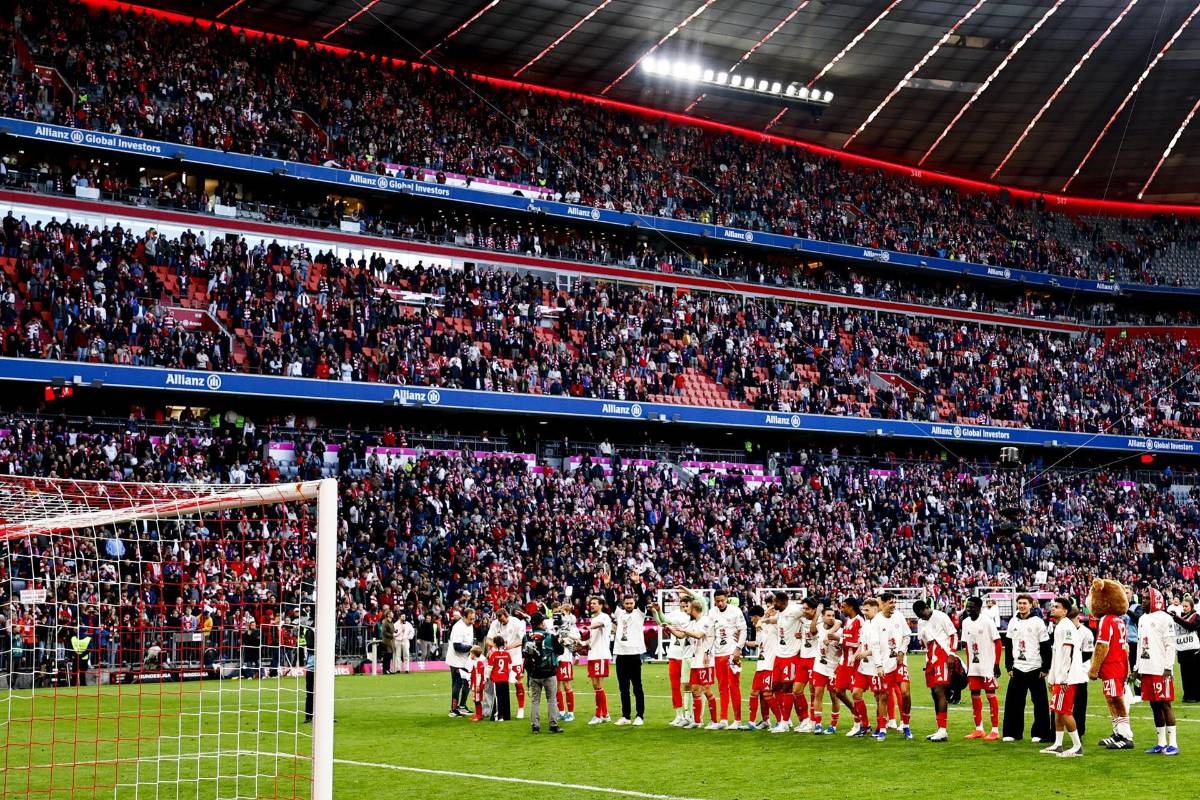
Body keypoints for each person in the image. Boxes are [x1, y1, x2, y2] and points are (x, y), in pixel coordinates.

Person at [1088, 579, 1133, 749]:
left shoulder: (1106, 620)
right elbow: (1125, 647)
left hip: (1112, 667)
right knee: (1111, 699)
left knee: (1116, 700)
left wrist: (1094, 668)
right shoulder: (1118, 620)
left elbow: (1102, 645)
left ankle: (1126, 736)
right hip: (1118, 666)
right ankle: (1117, 732)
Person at [1002, 593, 1051, 743]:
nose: (1022, 606)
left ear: (1031, 605)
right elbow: (1008, 646)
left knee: (1040, 703)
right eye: (1020, 603)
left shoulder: (1038, 622)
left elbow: (1045, 646)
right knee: (1013, 702)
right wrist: (1008, 666)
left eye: (1025, 603)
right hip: (1018, 668)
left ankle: (1040, 733)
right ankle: (1012, 733)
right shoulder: (1013, 621)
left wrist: (1045, 667)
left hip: (1035, 668)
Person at [1043, 597, 1086, 758]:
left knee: (1065, 711)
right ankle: (1058, 744)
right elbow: (1057, 656)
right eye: (1052, 606)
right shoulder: (1060, 626)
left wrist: (1064, 678)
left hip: (1067, 678)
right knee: (1058, 710)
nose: (1052, 608)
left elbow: (1068, 653)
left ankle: (1077, 746)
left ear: (1065, 611)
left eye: (1056, 607)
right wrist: (1052, 678)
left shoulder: (1066, 627)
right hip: (1061, 678)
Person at [1138, 588, 1180, 755]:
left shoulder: (1165, 618)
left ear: (1155, 599)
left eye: (1147, 598)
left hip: (1161, 670)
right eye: (1143, 598)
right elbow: (1140, 645)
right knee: (1154, 706)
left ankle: (1173, 744)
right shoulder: (1142, 618)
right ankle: (1161, 743)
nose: (1143, 601)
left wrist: (1168, 667)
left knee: (1165, 704)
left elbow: (1170, 644)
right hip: (1147, 669)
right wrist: (1137, 668)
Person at [668, 598, 718, 729]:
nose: (686, 610)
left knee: (706, 689)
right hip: (695, 660)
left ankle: (714, 721)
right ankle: (697, 721)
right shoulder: (693, 622)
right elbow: (681, 635)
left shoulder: (706, 621)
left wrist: (683, 630)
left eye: (689, 608)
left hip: (705, 661)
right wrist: (670, 629)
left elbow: (699, 635)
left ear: (694, 609)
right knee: (695, 689)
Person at [652, 589, 698, 726]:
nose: (684, 607)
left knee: (689, 687)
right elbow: (662, 622)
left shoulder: (693, 618)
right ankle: (679, 715)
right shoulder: (674, 614)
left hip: (687, 655)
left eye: (686, 604)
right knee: (675, 687)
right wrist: (655, 612)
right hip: (674, 654)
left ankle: (690, 714)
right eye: (682, 604)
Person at [913, 599, 956, 742]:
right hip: (930, 657)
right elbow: (923, 641)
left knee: (939, 690)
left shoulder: (941, 616)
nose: (922, 617)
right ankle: (940, 729)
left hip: (943, 654)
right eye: (919, 616)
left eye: (922, 614)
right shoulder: (921, 622)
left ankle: (943, 729)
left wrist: (952, 653)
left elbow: (953, 635)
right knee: (934, 692)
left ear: (927, 607)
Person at [960, 596, 1001, 741]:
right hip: (974, 667)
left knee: (990, 695)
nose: (968, 609)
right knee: (975, 696)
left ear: (978, 607)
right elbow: (967, 647)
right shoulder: (965, 622)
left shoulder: (987, 621)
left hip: (987, 666)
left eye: (971, 607)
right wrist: (968, 666)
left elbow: (998, 642)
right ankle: (979, 729)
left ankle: (995, 730)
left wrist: (996, 664)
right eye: (967, 606)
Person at [764, 591, 805, 733]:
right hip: (779, 655)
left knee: (787, 688)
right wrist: (766, 619)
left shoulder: (795, 610)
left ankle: (785, 722)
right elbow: (777, 620)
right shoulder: (781, 612)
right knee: (775, 686)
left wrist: (803, 632)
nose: (773, 604)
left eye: (775, 601)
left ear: (782, 602)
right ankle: (785, 719)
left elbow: (808, 616)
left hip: (791, 655)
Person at [709, 588, 748, 730]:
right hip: (718, 654)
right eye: (717, 601)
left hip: (732, 653)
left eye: (722, 600)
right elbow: (711, 633)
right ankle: (723, 719)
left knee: (734, 686)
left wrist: (738, 648)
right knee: (722, 687)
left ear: (727, 599)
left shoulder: (735, 611)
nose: (720, 603)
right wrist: (708, 651)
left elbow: (743, 630)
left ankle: (737, 720)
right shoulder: (712, 612)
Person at [851, 597, 889, 740]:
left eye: (867, 610)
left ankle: (881, 726)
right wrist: (856, 654)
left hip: (875, 665)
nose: (864, 612)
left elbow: (882, 646)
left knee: (879, 697)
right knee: (856, 693)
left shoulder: (881, 623)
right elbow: (862, 642)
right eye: (863, 610)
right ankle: (865, 725)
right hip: (863, 666)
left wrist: (866, 653)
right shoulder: (866, 623)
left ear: (875, 609)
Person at [877, 592, 913, 739]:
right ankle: (882, 729)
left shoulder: (899, 616)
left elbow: (906, 635)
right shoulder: (877, 621)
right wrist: (878, 665)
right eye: (890, 602)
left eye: (894, 602)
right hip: (885, 664)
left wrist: (902, 651)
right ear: (883, 603)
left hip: (900, 662)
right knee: (884, 696)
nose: (893, 605)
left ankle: (906, 725)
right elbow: (874, 645)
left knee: (905, 693)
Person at [522, 611, 564, 734]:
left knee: (535, 700)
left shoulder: (526, 637)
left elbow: (524, 653)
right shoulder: (550, 636)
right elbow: (560, 650)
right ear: (541, 623)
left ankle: (535, 726)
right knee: (551, 699)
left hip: (533, 673)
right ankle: (553, 725)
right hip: (549, 673)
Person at [486, 607, 528, 720]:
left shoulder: (516, 622)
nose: (501, 622)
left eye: (503, 620)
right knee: (499, 684)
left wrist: (509, 646)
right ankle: (498, 711)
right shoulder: (495, 623)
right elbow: (488, 639)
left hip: (514, 657)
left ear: (507, 615)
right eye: (499, 620)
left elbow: (522, 640)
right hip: (500, 657)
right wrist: (497, 647)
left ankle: (521, 708)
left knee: (518, 682)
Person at [612, 593, 647, 726]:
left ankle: (640, 716)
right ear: (623, 604)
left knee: (637, 687)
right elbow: (610, 601)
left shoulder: (639, 614)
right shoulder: (619, 613)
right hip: (620, 655)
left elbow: (642, 599)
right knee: (623, 688)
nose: (629, 605)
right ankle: (626, 716)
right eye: (626, 603)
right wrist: (608, 588)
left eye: (631, 603)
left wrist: (637, 584)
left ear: (634, 603)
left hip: (634, 655)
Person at [831, 597, 862, 736]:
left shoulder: (859, 621)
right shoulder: (847, 621)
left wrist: (839, 639)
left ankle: (859, 724)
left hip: (853, 663)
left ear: (851, 607)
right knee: (838, 691)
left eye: (844, 607)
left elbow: (857, 643)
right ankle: (856, 713)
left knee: (856, 693)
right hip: (843, 662)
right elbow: (846, 641)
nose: (841, 609)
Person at [791, 597, 822, 733]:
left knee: (813, 692)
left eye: (807, 609)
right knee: (796, 690)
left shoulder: (819, 620)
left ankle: (813, 722)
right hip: (803, 658)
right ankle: (805, 719)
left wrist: (817, 613)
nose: (804, 611)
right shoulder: (802, 619)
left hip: (814, 659)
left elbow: (813, 630)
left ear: (814, 610)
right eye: (803, 608)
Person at [810, 607, 843, 735]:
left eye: (833, 615)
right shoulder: (819, 627)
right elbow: (812, 630)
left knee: (834, 696)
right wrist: (817, 613)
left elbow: (843, 650)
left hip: (834, 668)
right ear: (823, 617)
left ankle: (833, 724)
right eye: (828, 615)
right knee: (818, 693)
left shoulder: (840, 631)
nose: (831, 618)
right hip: (819, 666)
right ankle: (818, 724)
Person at [745, 604, 777, 730]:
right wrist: (744, 643)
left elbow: (777, 618)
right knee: (754, 693)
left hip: (770, 665)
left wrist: (767, 612)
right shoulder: (759, 628)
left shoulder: (771, 626)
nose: (751, 620)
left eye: (752, 617)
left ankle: (781, 721)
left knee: (767, 694)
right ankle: (755, 722)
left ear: (757, 616)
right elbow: (758, 644)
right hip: (761, 665)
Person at [585, 596, 613, 725]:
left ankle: (599, 715)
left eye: (595, 603)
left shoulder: (604, 617)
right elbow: (592, 639)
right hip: (592, 655)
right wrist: (582, 643)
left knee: (599, 685)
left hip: (601, 655)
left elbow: (599, 625)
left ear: (601, 605)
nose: (592, 605)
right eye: (591, 603)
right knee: (595, 686)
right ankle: (605, 715)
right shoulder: (593, 619)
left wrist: (589, 627)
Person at [446, 608, 476, 717]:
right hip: (456, 660)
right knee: (457, 683)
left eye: (473, 619)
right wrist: (471, 648)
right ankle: (453, 710)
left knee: (468, 682)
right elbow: (457, 646)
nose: (472, 621)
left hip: (466, 660)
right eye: (470, 619)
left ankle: (462, 706)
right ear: (464, 617)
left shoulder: (470, 626)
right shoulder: (458, 627)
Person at [1170, 596, 1199, 703]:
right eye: (1183, 606)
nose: (1184, 608)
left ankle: (1195, 696)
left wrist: (1177, 618)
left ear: (1191, 606)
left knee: (1193, 674)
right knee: (1184, 674)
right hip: (1182, 650)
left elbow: (1191, 626)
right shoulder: (1180, 617)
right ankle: (1187, 695)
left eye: (1186, 606)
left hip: (1192, 650)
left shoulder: (1196, 616)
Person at [554, 604, 580, 721]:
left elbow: (577, 637)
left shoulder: (572, 627)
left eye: (563, 612)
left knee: (567, 685)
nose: (561, 614)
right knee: (556, 686)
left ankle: (571, 713)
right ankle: (561, 712)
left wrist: (567, 638)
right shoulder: (556, 625)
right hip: (555, 659)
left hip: (565, 658)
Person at [488, 635, 512, 721]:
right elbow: (510, 667)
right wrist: (507, 674)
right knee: (505, 696)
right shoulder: (507, 654)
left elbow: (490, 667)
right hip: (505, 678)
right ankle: (506, 716)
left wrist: (488, 676)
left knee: (498, 697)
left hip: (496, 678)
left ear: (495, 644)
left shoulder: (494, 654)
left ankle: (499, 716)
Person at [468, 645, 487, 721]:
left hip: (477, 683)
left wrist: (478, 685)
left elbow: (479, 675)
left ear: (474, 654)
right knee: (475, 699)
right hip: (475, 683)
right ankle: (477, 714)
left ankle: (479, 715)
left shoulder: (478, 662)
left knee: (477, 699)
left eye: (471, 653)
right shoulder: (477, 661)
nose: (470, 655)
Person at [379, 610, 395, 675]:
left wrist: (395, 632)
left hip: (391, 641)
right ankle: (385, 670)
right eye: (391, 613)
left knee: (390, 655)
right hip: (386, 641)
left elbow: (392, 630)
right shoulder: (385, 622)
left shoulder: (391, 622)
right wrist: (392, 635)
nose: (393, 614)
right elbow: (384, 632)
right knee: (387, 655)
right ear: (388, 615)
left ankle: (388, 669)